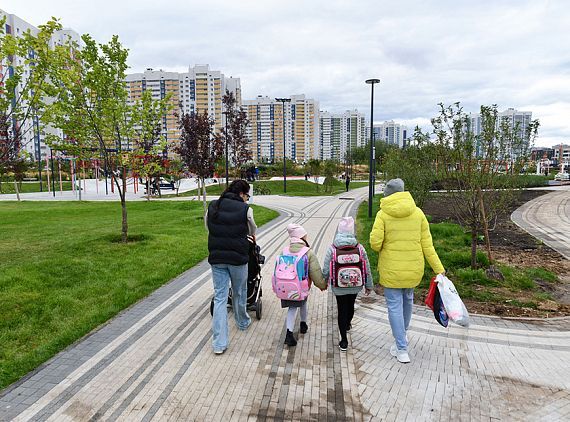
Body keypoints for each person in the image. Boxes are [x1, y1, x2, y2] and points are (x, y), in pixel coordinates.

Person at [369, 178, 445, 364]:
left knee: (394, 306)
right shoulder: (418, 213)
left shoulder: (382, 214)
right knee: (408, 301)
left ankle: (402, 347)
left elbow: (375, 244)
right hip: (413, 269)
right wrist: (439, 269)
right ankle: (401, 339)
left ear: (388, 194)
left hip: (392, 270)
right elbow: (428, 246)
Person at [206, 179, 257, 355]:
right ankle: (242, 322)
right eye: (247, 196)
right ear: (242, 194)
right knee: (239, 291)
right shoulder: (245, 209)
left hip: (217, 257)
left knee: (220, 297)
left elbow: (208, 227)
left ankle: (219, 343)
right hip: (238, 258)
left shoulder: (213, 205)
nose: (247, 199)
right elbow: (252, 230)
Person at [322, 217, 373, 351]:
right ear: (352, 232)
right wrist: (369, 285)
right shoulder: (360, 248)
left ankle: (343, 340)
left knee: (341, 309)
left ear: (339, 231)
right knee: (350, 306)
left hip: (338, 286)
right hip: (356, 285)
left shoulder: (332, 249)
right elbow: (366, 268)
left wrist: (323, 283)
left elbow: (326, 269)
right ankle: (348, 323)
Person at [281, 223, 327, 347]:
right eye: (305, 236)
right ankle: (300, 326)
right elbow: (315, 272)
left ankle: (293, 330)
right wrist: (322, 284)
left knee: (293, 307)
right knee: (301, 303)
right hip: (302, 286)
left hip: (286, 287)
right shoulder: (308, 252)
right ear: (301, 238)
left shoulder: (285, 251)